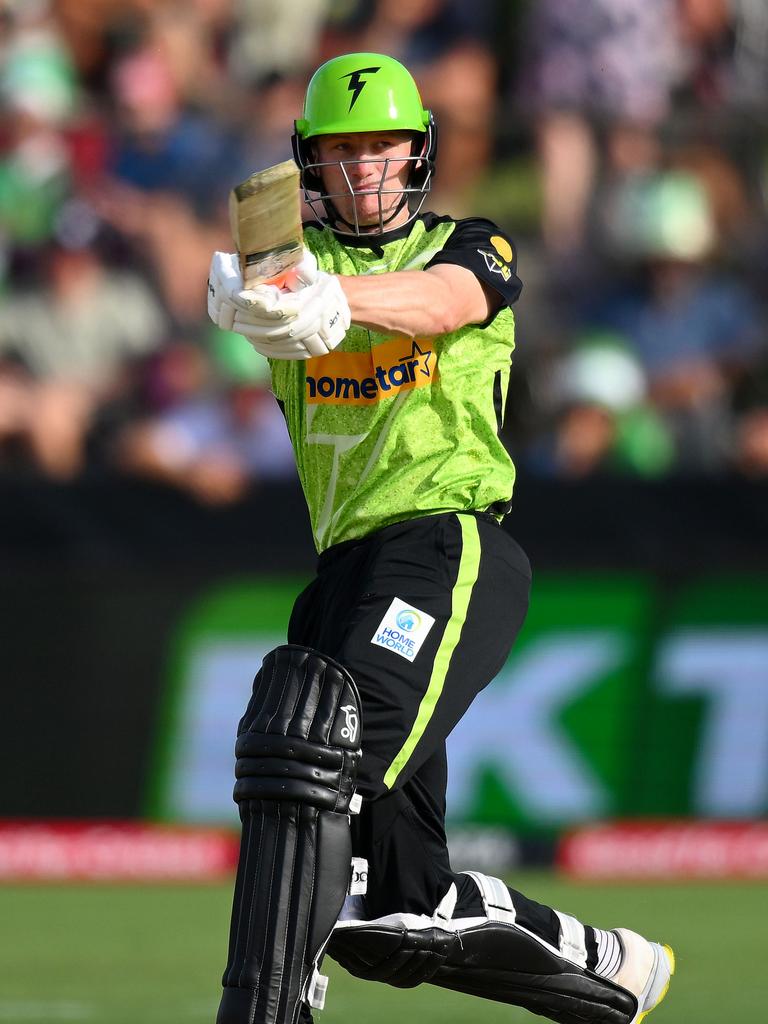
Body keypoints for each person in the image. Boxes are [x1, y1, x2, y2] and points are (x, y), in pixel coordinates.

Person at [207, 53, 675, 1024]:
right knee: (397, 911)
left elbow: (448, 301)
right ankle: (609, 968)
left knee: (305, 758)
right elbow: (263, 276)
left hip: (445, 548)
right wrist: (244, 285)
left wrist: (332, 304)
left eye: (382, 147)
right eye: (340, 153)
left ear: (418, 153)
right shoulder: (300, 270)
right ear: (311, 165)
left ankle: (265, 1010)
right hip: (342, 571)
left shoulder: (474, 245)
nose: (363, 170)